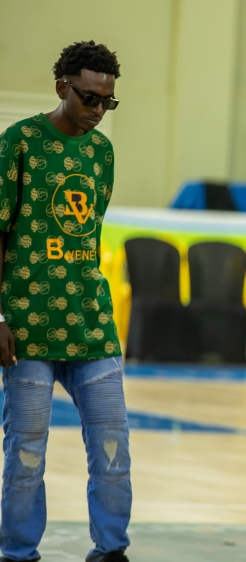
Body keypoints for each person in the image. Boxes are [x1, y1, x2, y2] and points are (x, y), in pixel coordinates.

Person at [0, 41, 130, 562]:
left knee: (112, 450)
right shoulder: (20, 142)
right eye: (88, 98)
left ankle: (111, 551)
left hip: (91, 325)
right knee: (26, 454)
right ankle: (18, 553)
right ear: (61, 88)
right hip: (27, 325)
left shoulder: (102, 153)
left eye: (108, 102)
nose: (98, 111)